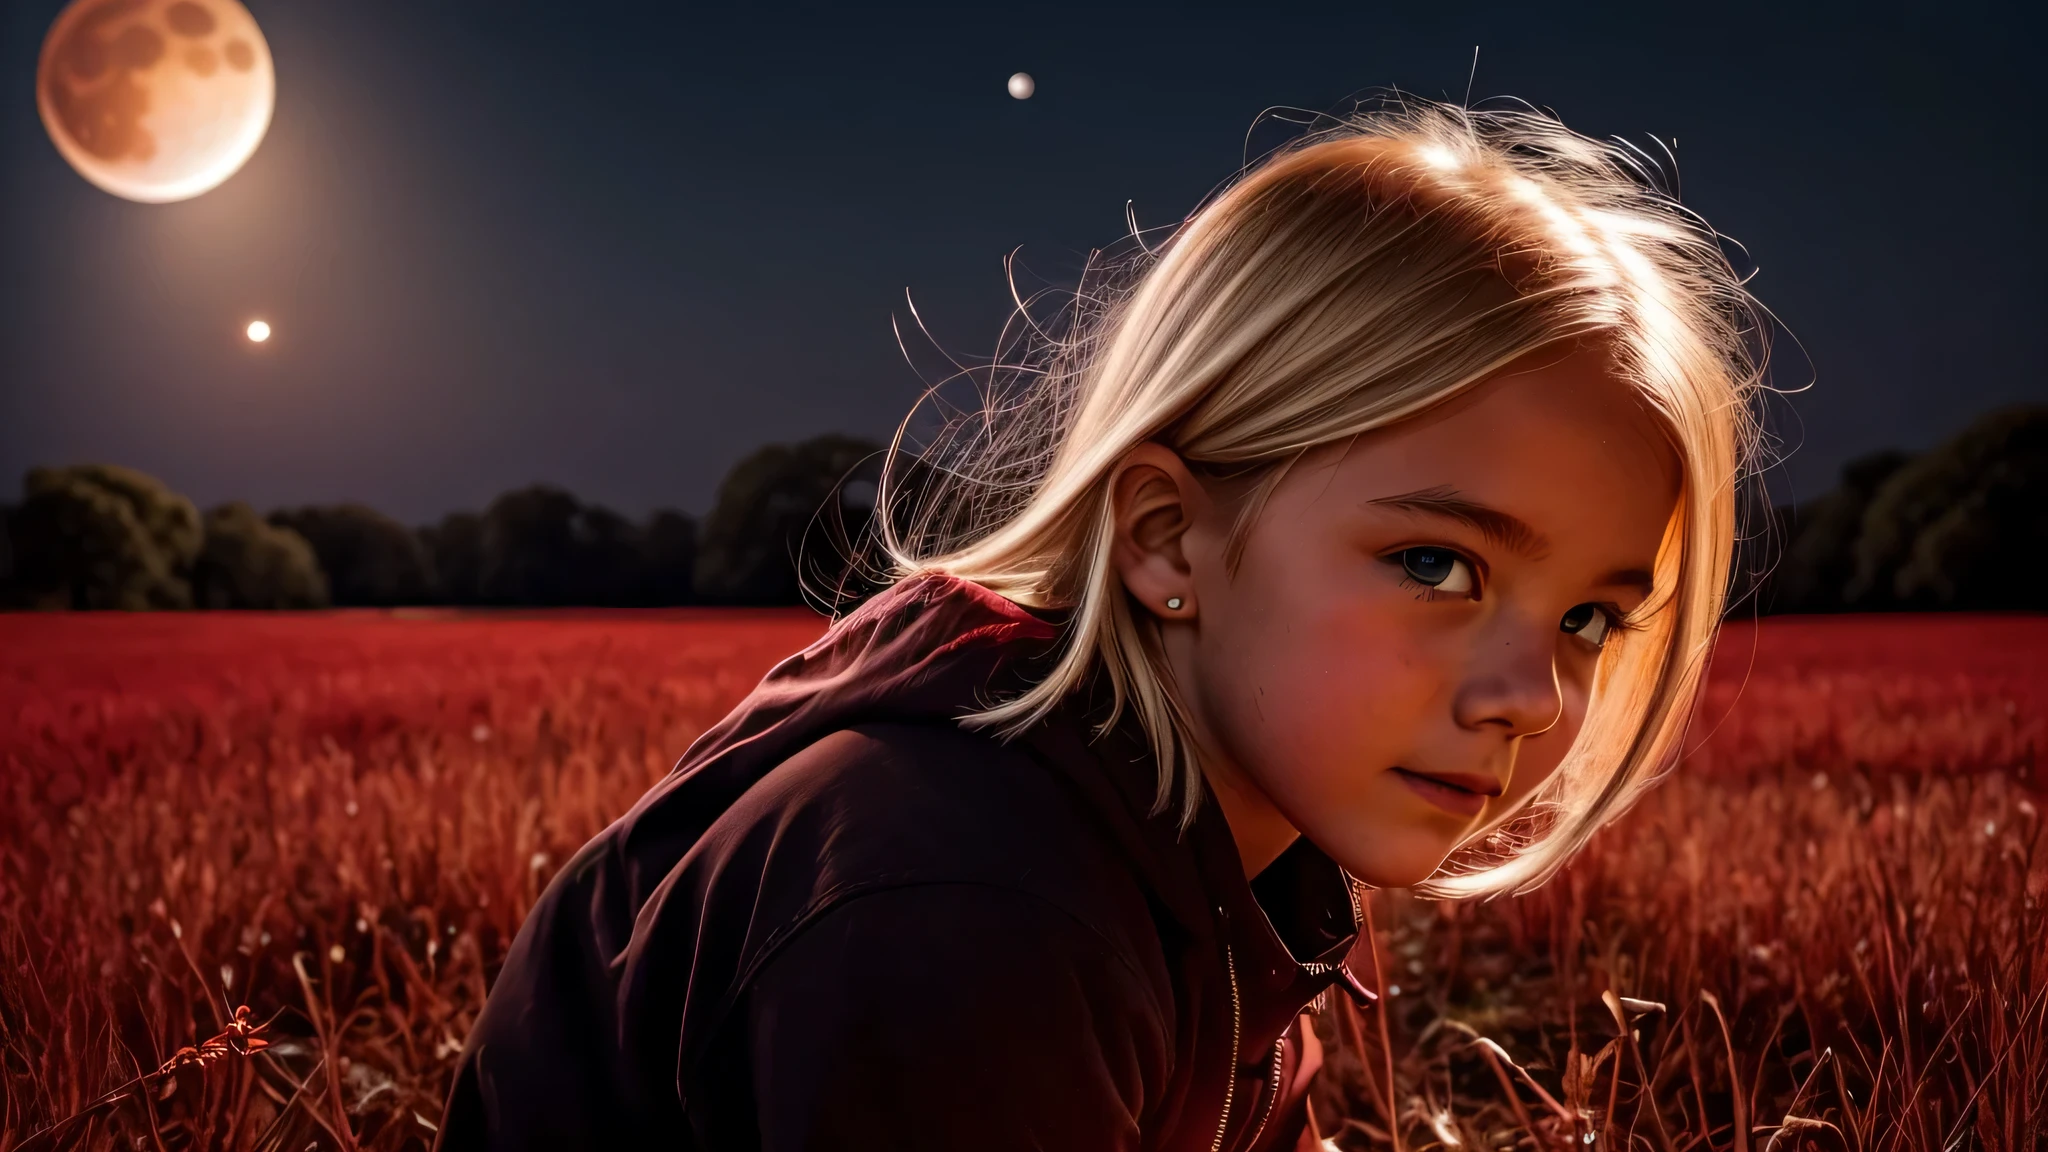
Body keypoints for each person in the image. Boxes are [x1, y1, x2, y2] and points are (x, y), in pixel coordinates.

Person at [437, 99, 1765, 1152]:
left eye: (1593, 616)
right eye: (1438, 563)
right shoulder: (968, 904)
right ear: (1167, 538)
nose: (1532, 693)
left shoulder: (1225, 872)